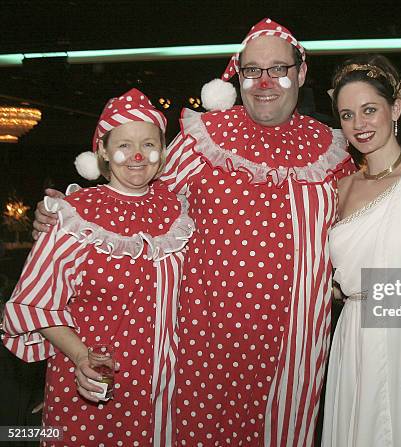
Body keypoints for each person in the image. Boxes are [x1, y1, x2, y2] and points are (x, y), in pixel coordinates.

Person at [34, 19, 353, 445]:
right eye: (251, 70)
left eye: (277, 68)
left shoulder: (333, 153)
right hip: (198, 353)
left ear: (301, 73)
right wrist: (70, 218)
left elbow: (358, 240)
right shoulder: (202, 139)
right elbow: (135, 201)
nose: (264, 82)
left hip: (292, 360)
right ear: (237, 75)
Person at [4, 89, 194, 446]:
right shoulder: (75, 213)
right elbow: (35, 303)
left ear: (163, 150)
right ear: (103, 151)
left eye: (149, 143)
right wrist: (80, 357)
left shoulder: (180, 212)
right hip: (90, 383)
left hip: (163, 390)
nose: (137, 155)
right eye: (124, 145)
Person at [321, 55, 401, 446]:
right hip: (354, 334)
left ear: (397, 108)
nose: (359, 125)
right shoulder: (340, 189)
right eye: (347, 115)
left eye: (370, 110)